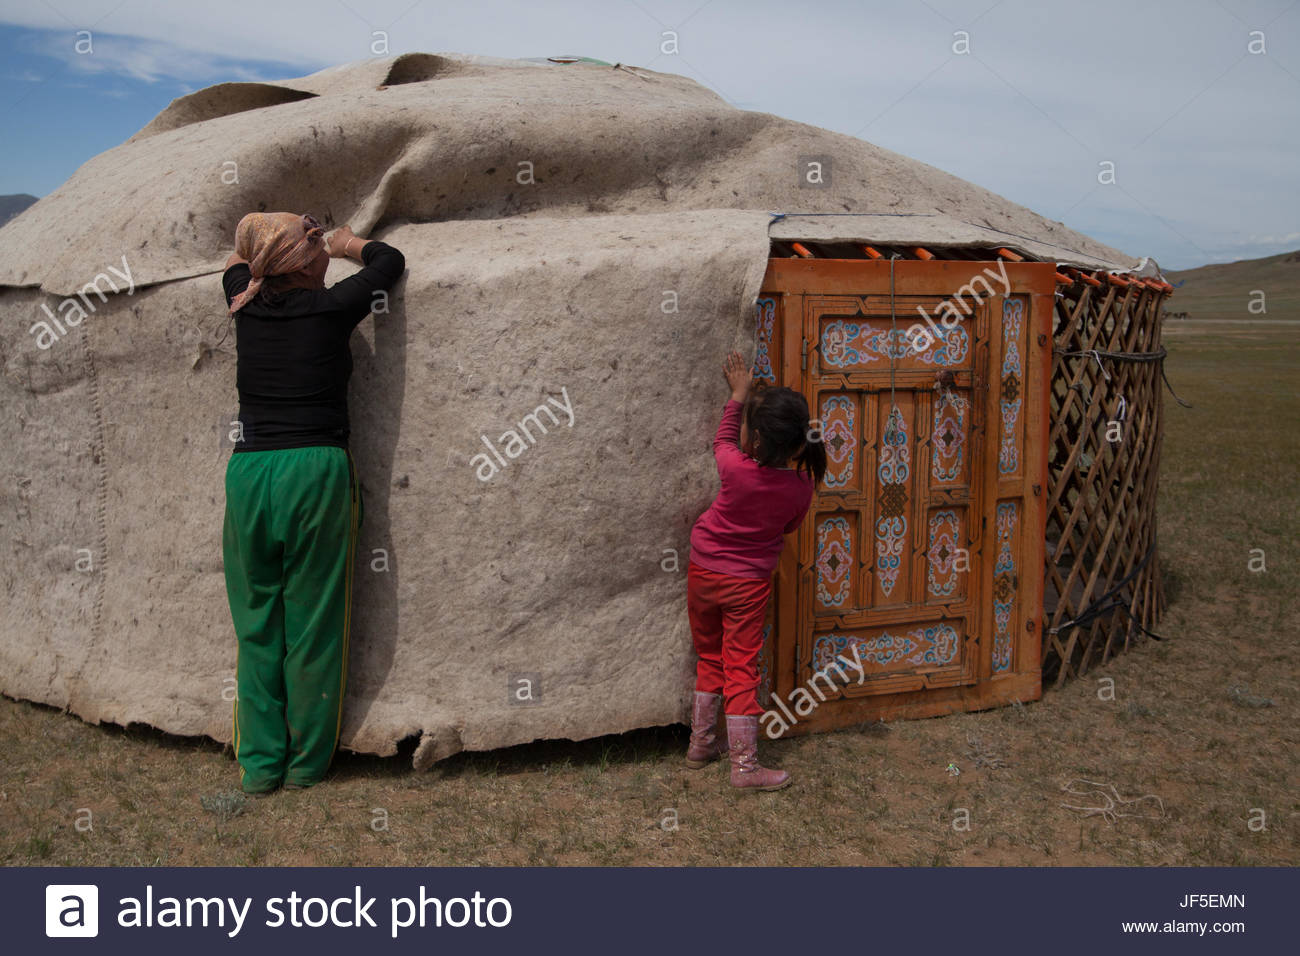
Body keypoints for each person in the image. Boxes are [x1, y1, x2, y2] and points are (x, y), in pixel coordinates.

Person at [220, 212, 405, 794]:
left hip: (249, 473)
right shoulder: (331, 308)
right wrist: (347, 239)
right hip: (314, 472)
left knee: (256, 622)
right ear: (303, 263)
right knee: (313, 621)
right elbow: (390, 261)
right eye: (316, 247)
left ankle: (259, 765)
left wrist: (275, 240)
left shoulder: (243, 305)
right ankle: (304, 764)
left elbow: (236, 262)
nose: (325, 253)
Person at [685, 351, 825, 791]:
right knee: (741, 666)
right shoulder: (801, 487)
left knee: (709, 657)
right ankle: (744, 768)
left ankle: (701, 745)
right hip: (747, 586)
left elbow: (722, 441)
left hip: (703, 573)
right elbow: (789, 527)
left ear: (757, 440)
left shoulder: (735, 470)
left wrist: (738, 395)